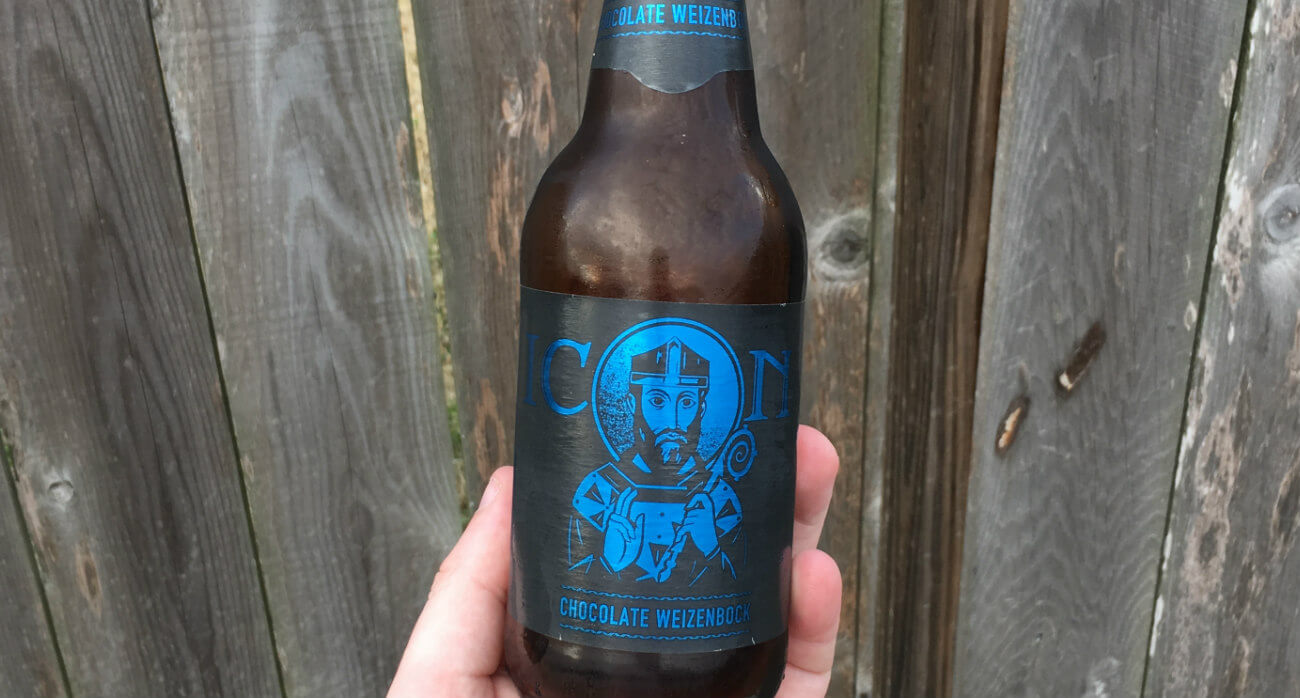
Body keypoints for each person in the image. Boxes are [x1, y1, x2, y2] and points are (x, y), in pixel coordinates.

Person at [389, 425, 843, 698]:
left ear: (704, 410)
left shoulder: (719, 496)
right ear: (633, 404)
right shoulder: (597, 490)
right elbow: (560, 574)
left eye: (688, 402)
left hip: (730, 673)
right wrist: (610, 563)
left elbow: (745, 576)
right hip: (563, 671)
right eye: (658, 401)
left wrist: (709, 549)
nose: (674, 420)